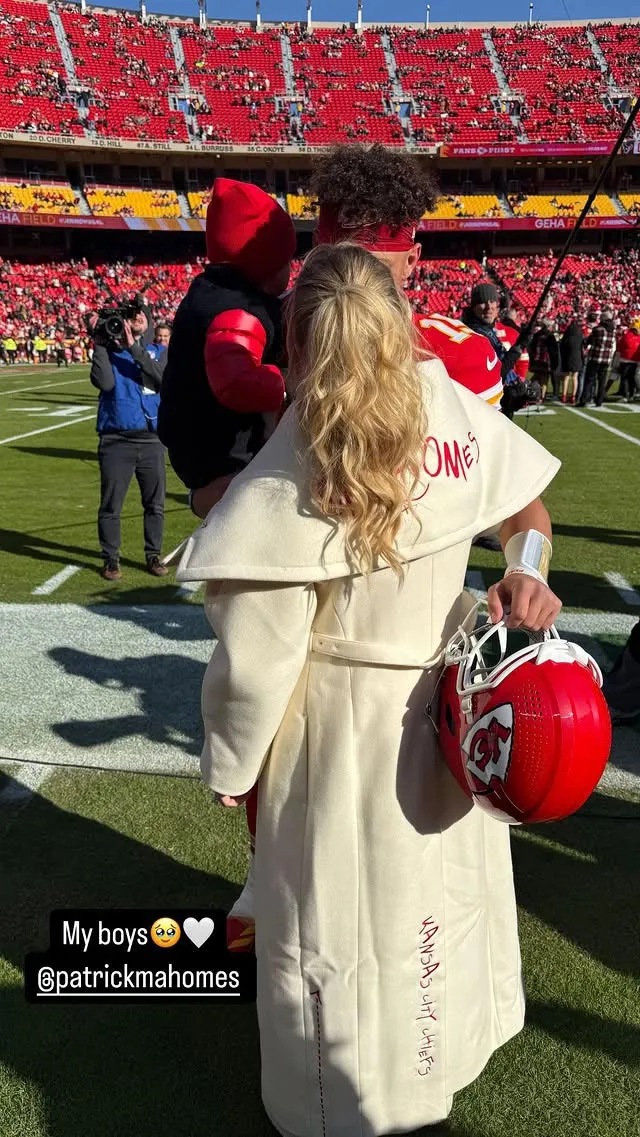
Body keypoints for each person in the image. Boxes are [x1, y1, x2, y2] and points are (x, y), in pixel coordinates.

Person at [176, 243, 562, 1137]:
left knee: (339, 925)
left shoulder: (296, 452)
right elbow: (526, 512)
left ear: (298, 340)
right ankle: (434, 1062)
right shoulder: (451, 408)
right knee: (433, 900)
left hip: (336, 735)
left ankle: (337, 1104)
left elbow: (261, 652)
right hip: (443, 718)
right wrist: (529, 569)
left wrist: (232, 761)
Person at [157, 178, 296, 520]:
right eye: (287, 261)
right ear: (266, 263)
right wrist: (289, 383)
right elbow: (236, 380)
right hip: (224, 454)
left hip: (200, 445)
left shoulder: (210, 292)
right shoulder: (236, 309)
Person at [89, 305, 168, 581]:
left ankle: (153, 554)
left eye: (141, 314)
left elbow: (161, 378)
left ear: (149, 322)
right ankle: (111, 558)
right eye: (131, 316)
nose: (137, 318)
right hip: (116, 441)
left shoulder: (159, 352)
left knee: (155, 504)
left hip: (151, 440)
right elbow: (104, 383)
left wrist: (134, 347)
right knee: (111, 505)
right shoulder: (109, 353)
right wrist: (99, 342)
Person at [460, 283, 531, 420]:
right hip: (482, 413)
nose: (489, 306)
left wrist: (518, 388)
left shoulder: (488, 330)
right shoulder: (472, 333)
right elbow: (495, 376)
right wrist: (517, 349)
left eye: (492, 301)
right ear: (473, 307)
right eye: (482, 302)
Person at [580, 307, 617, 407]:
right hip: (606, 359)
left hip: (595, 357)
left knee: (589, 379)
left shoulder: (598, 329)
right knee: (602, 381)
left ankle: (584, 399)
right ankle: (599, 400)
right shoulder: (613, 331)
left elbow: (588, 341)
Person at [559, 315, 584, 404]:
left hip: (567, 356)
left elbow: (562, 346)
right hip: (577, 357)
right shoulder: (580, 334)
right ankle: (573, 396)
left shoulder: (567, 334)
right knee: (575, 377)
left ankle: (564, 395)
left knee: (566, 377)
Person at [616, 317, 640, 402]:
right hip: (634, 360)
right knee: (631, 379)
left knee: (625, 379)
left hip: (626, 360)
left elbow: (620, 347)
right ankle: (631, 395)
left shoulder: (627, 336)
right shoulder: (635, 336)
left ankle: (625, 396)